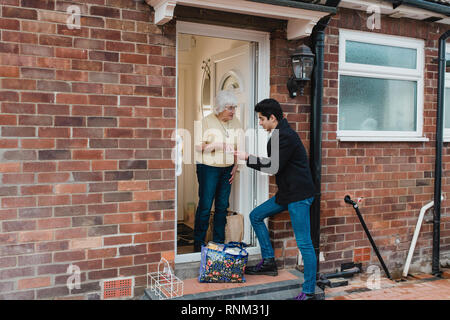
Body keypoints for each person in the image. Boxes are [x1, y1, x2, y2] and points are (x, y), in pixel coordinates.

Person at [235, 98, 317, 300]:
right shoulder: (279, 134)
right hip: (287, 194)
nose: (260, 123)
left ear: (273, 118)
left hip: (298, 196)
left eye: (262, 119)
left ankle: (309, 291)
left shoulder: (284, 136)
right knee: (256, 215)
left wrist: (247, 157)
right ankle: (269, 260)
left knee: (304, 243)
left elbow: (273, 167)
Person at [193, 90, 242, 252]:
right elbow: (198, 147)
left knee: (222, 206)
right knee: (206, 206)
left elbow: (239, 148)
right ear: (220, 108)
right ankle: (198, 245)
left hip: (227, 170)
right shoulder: (206, 121)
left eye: (234, 107)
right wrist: (217, 145)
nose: (233, 111)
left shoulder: (236, 123)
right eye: (230, 108)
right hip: (208, 169)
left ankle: (218, 244)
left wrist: (236, 167)